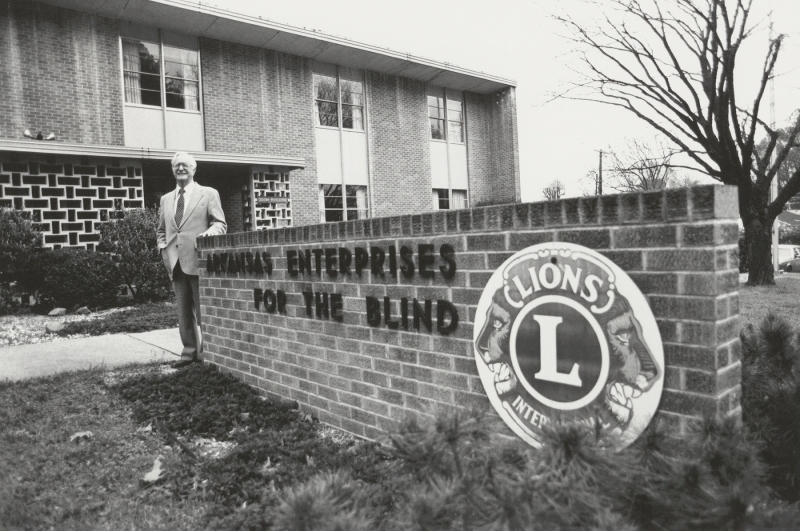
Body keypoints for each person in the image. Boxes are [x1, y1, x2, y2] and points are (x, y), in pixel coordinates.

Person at [157, 152, 227, 368]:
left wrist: (208, 235)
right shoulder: (166, 199)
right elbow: (162, 231)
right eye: (176, 165)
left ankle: (208, 356)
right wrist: (163, 249)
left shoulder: (208, 194)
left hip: (199, 261)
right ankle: (189, 354)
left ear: (194, 169)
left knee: (204, 311)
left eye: (185, 165)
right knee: (183, 313)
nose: (180, 169)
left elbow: (220, 223)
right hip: (175, 262)